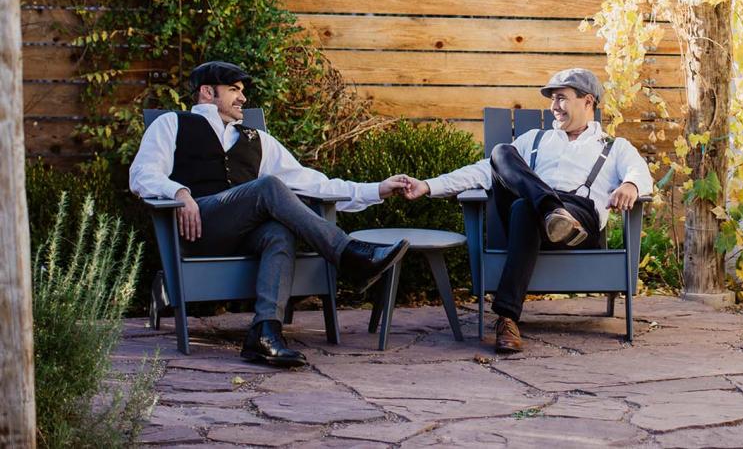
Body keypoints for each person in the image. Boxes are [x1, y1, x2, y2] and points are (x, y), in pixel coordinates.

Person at [129, 61, 410, 368]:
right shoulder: (172, 123)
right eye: (233, 90)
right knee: (270, 186)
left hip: (241, 235)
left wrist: (376, 190)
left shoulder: (256, 139)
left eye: (242, 91)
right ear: (207, 92)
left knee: (279, 231)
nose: (242, 98)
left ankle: (265, 334)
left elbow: (314, 183)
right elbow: (142, 174)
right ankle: (348, 255)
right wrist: (179, 193)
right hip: (197, 228)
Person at [395, 68, 652, 354]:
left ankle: (507, 317)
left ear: (588, 100)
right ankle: (550, 210)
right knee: (501, 154)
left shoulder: (614, 147)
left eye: (561, 98)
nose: (554, 107)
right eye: (552, 99)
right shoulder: (535, 139)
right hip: (531, 219)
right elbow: (482, 171)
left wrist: (630, 185)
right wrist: (427, 185)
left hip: (578, 223)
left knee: (524, 207)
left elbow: (639, 172)